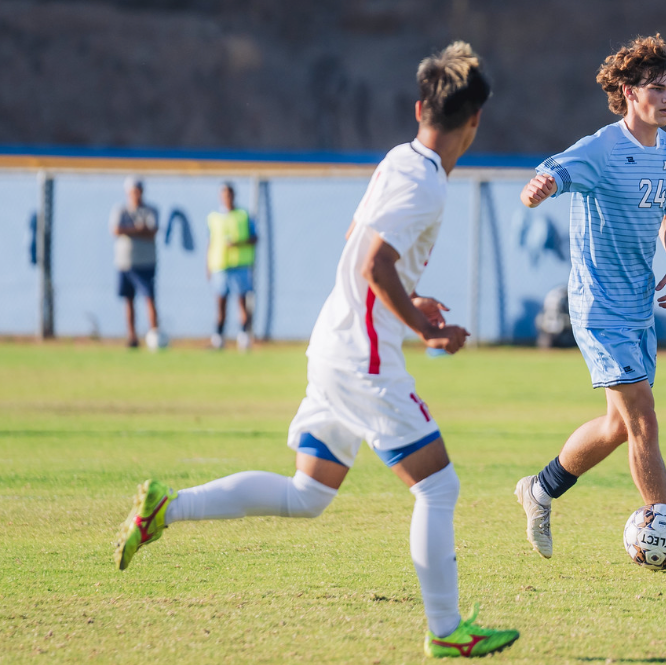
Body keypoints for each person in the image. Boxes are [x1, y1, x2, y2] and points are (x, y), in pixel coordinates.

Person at [114, 42, 519, 658]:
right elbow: (377, 260)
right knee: (437, 488)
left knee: (309, 493)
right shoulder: (429, 186)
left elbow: (361, 245)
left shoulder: (398, 161)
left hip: (333, 342)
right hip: (363, 357)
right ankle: (446, 631)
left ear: (418, 110)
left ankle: (167, 508)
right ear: (475, 122)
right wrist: (425, 326)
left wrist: (413, 298)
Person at [514, 34, 666, 567]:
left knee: (618, 427)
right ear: (628, 91)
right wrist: (539, 187)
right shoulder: (601, 147)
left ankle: (540, 490)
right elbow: (551, 173)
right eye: (657, 88)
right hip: (597, 305)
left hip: (638, 305)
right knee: (643, 421)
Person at [110, 177, 161, 350]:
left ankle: (155, 335)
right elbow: (116, 230)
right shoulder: (121, 210)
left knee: (149, 299)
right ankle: (132, 337)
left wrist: (132, 231)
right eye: (132, 191)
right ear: (127, 192)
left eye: (138, 191)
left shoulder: (150, 210)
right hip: (124, 262)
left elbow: (152, 231)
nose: (136, 195)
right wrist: (138, 229)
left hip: (145, 262)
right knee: (128, 301)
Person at [207, 183, 258, 351]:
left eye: (229, 194)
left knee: (241, 302)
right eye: (224, 195)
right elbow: (211, 242)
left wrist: (238, 243)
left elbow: (255, 238)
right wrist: (208, 265)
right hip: (220, 265)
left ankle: (244, 337)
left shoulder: (243, 215)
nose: (226, 198)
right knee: (220, 302)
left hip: (240, 265)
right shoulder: (214, 217)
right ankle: (218, 338)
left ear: (234, 196)